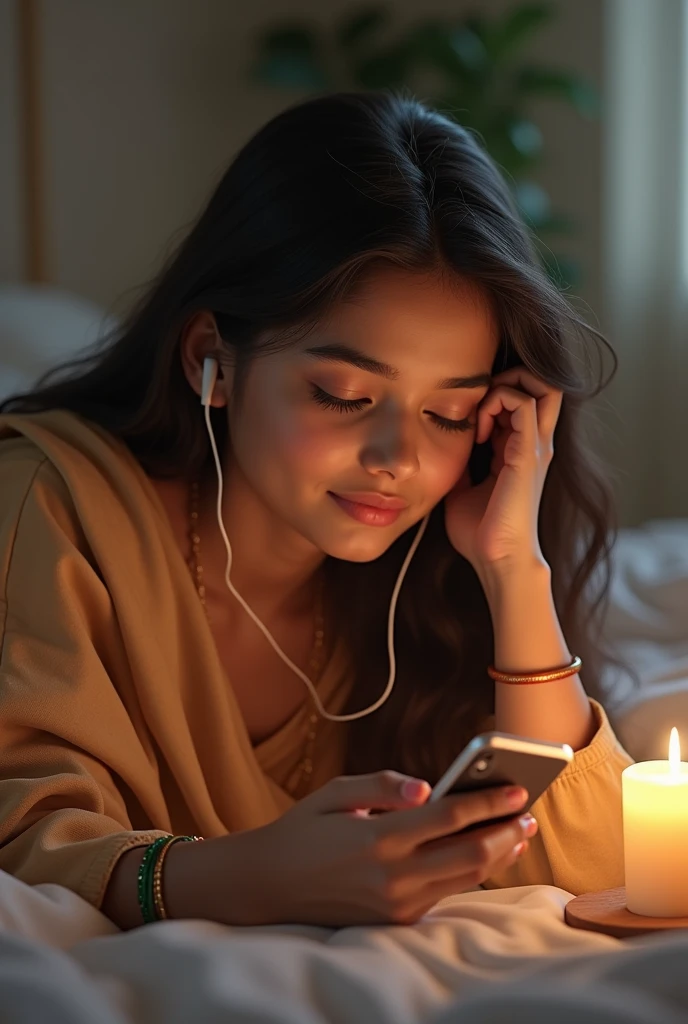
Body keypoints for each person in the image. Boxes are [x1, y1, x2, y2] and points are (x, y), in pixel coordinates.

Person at [0, 92, 632, 932]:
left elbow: (597, 867)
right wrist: (246, 878)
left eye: (449, 415)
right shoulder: (52, 502)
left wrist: (514, 568)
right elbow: (25, 839)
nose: (398, 459)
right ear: (210, 362)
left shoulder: (425, 582)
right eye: (344, 395)